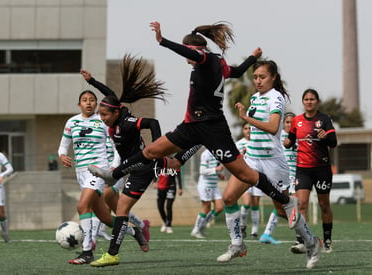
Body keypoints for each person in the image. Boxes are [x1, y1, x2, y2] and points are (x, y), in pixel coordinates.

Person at [88, 21, 302, 267]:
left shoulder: (206, 59)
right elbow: (237, 71)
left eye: (190, 51)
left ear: (197, 49)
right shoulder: (218, 64)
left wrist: (162, 41)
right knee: (151, 150)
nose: (188, 58)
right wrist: (253, 57)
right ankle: (113, 175)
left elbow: (192, 53)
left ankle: (287, 201)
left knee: (247, 175)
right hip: (191, 126)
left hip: (211, 128)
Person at [223, 60, 321, 269]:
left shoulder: (275, 98)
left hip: (272, 163)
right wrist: (246, 114)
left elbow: (273, 127)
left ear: (273, 77)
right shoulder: (255, 98)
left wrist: (245, 117)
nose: (258, 81)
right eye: (256, 77)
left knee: (284, 209)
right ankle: (237, 244)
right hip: (251, 160)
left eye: (262, 77)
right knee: (228, 197)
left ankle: (312, 242)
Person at [80, 54, 167, 267]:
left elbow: (153, 122)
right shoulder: (115, 113)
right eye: (99, 114)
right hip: (124, 164)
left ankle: (116, 250)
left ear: (115, 113)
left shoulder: (127, 122)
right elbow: (109, 94)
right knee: (112, 201)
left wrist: (157, 147)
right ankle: (136, 230)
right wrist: (91, 81)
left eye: (104, 115)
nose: (102, 118)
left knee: (117, 203)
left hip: (138, 165)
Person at [58, 90, 147, 265]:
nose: (88, 103)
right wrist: (62, 156)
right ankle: (134, 231)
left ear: (96, 104)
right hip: (81, 173)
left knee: (82, 206)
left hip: (98, 171)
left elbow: (115, 146)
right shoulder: (72, 122)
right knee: (106, 218)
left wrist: (113, 167)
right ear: (79, 104)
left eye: (92, 100)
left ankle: (87, 252)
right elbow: (63, 146)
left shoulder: (103, 121)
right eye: (84, 100)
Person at [284, 88, 337, 254]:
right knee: (301, 205)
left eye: (312, 99)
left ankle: (327, 240)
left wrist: (326, 137)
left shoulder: (324, 119)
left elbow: (334, 142)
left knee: (324, 205)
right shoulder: (297, 121)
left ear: (317, 102)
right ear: (303, 102)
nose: (309, 102)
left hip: (322, 169)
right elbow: (291, 139)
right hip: (303, 170)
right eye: (306, 99)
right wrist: (287, 142)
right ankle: (301, 241)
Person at [259, 112, 297, 244]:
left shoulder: (298, 136)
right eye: (287, 122)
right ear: (283, 123)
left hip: (296, 177)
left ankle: (267, 234)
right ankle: (303, 236)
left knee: (289, 206)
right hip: (283, 176)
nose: (289, 125)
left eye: (292, 122)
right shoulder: (278, 136)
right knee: (288, 206)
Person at [236, 122, 264, 240]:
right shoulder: (239, 144)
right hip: (245, 177)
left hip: (257, 175)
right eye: (246, 128)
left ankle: (254, 232)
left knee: (255, 204)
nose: (248, 130)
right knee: (246, 203)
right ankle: (242, 226)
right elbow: (235, 160)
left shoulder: (258, 142)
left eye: (250, 128)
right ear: (243, 130)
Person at [191, 148, 225, 239]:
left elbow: (214, 169)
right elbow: (202, 171)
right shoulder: (206, 154)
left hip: (214, 185)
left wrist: (218, 174)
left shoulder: (217, 153)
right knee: (206, 208)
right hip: (205, 185)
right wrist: (216, 169)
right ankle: (196, 230)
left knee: (219, 208)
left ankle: (203, 225)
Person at [154, 168, 182, 234]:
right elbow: (155, 172)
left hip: (171, 187)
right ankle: (165, 222)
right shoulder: (160, 162)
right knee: (160, 207)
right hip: (161, 188)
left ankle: (169, 226)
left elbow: (178, 175)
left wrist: (180, 188)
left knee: (168, 206)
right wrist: (154, 181)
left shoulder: (174, 163)